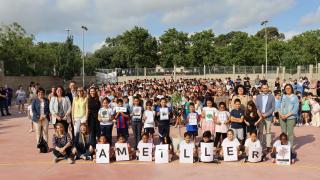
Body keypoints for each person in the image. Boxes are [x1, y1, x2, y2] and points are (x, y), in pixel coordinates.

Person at [255, 84, 275, 151]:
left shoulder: (272, 97)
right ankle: (260, 144)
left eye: (266, 88)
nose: (265, 89)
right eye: (264, 88)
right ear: (261, 89)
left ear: (268, 88)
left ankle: (268, 145)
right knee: (260, 131)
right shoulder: (258, 97)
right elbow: (257, 106)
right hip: (260, 117)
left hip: (268, 116)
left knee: (268, 132)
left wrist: (266, 114)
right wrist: (260, 115)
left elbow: (273, 107)